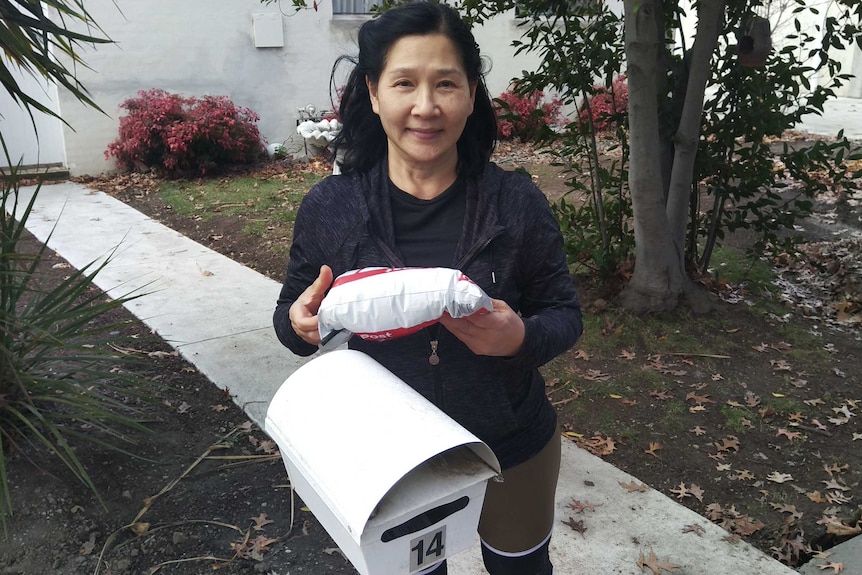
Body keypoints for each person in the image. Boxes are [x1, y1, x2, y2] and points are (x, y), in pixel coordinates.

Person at [273, 2, 582, 573]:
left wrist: (519, 338)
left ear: (470, 93)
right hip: (396, 456)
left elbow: (564, 312)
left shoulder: (514, 203)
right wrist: (300, 322)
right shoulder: (332, 208)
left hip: (513, 444)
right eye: (404, 83)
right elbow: (291, 319)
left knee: (523, 568)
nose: (425, 106)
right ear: (373, 91)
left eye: (445, 83)